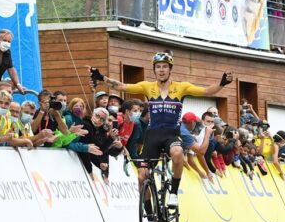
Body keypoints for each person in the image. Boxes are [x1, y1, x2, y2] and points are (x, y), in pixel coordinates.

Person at [94, 52, 231, 207]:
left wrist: (221, 84)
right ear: (154, 70)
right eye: (158, 67)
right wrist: (102, 78)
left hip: (172, 134)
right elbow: (122, 86)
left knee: (178, 153)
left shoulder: (181, 87)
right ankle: (151, 217)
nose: (161, 70)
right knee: (141, 177)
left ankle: (173, 193)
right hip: (152, 136)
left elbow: (206, 91)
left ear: (170, 69)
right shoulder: (147, 86)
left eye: (165, 67)